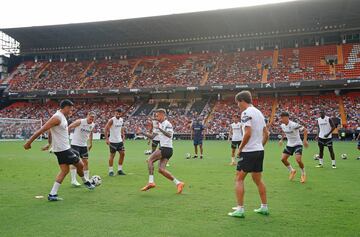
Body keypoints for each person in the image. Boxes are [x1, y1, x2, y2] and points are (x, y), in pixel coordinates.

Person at [23, 100, 95, 201]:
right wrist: (28, 143)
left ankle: (52, 194)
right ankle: (86, 182)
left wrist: (49, 143)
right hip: (63, 149)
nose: (71, 111)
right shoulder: (57, 118)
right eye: (70, 108)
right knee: (80, 165)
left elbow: (50, 131)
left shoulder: (61, 117)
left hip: (64, 148)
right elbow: (42, 129)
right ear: (65, 107)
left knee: (65, 171)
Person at [228, 91, 269, 218]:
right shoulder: (259, 113)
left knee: (239, 179)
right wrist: (260, 146)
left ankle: (240, 209)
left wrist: (240, 148)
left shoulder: (246, 113)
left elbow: (247, 133)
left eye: (237, 103)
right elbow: (266, 134)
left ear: (241, 100)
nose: (238, 106)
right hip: (259, 150)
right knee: (258, 180)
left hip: (249, 151)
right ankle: (264, 207)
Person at [137, 109, 185, 194]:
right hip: (167, 149)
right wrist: (142, 133)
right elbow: (152, 137)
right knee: (161, 169)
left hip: (166, 148)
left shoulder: (167, 124)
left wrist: (160, 129)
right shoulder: (159, 125)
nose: (156, 117)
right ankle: (178, 183)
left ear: (163, 115)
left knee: (150, 160)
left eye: (157, 115)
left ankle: (151, 182)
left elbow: (170, 135)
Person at [278, 112, 308, 183]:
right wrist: (281, 139)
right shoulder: (282, 125)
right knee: (283, 159)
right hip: (289, 144)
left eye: (282, 118)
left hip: (297, 144)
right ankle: (292, 171)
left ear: (287, 117)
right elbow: (283, 132)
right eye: (281, 117)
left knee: (298, 160)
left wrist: (305, 140)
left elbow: (305, 130)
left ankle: (303, 174)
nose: (281, 119)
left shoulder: (294, 125)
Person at [68, 111, 96, 186]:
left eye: (93, 117)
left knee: (85, 162)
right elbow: (70, 127)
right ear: (87, 115)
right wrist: (66, 138)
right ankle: (73, 180)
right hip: (75, 144)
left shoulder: (93, 125)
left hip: (84, 145)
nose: (92, 118)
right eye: (91, 116)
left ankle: (86, 180)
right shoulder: (80, 121)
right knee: (75, 162)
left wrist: (90, 143)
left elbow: (91, 133)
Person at [105, 108, 126, 176]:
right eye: (117, 113)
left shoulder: (121, 120)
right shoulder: (111, 120)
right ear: (115, 113)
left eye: (119, 113)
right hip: (113, 141)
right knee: (112, 156)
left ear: (121, 114)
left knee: (122, 154)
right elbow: (106, 129)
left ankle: (119, 170)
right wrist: (107, 139)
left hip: (119, 141)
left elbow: (121, 128)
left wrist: (123, 135)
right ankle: (110, 171)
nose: (118, 114)